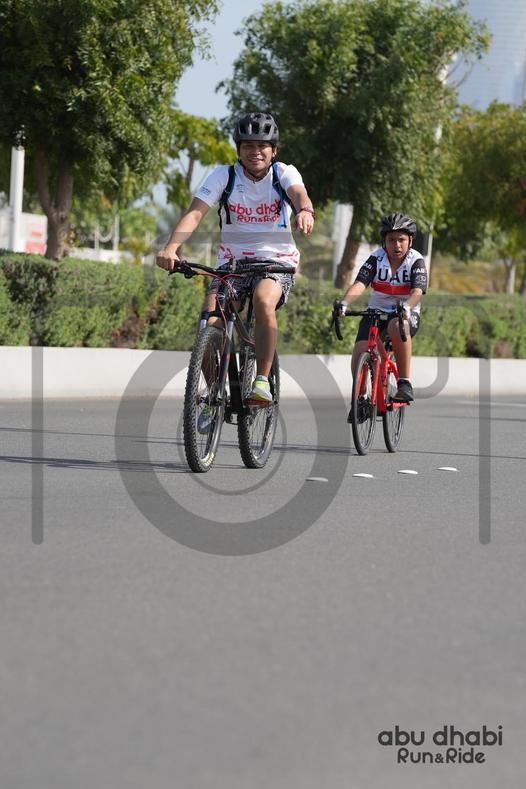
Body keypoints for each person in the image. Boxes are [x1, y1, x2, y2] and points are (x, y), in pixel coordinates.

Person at [156, 111, 314, 418]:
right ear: (238, 149)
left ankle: (262, 381)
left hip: (276, 262)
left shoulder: (283, 173)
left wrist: (305, 210)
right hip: (232, 264)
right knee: (208, 322)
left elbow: (299, 194)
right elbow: (195, 213)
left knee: (263, 300)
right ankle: (214, 394)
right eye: (248, 145)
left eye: (262, 145)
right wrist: (171, 248)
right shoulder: (223, 176)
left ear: (273, 150)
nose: (255, 151)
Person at [337, 212, 428, 404]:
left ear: (410, 241)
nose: (397, 245)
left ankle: (404, 382)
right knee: (360, 351)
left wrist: (407, 307)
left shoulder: (416, 260)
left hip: (405, 313)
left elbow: (417, 291)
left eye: (401, 240)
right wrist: (344, 303)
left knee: (397, 326)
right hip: (376, 312)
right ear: (384, 241)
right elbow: (360, 284)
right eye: (391, 240)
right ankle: (361, 398)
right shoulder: (376, 258)